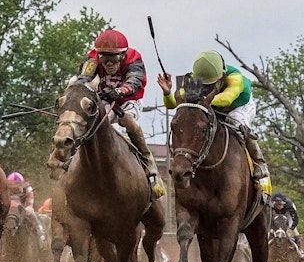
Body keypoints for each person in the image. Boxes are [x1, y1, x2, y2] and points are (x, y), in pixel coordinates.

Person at [158, 50, 270, 194]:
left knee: (236, 121)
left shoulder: (235, 78)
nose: (206, 87)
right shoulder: (193, 80)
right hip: (210, 105)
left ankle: (259, 162)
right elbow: (173, 104)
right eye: (204, 84)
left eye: (210, 84)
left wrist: (202, 103)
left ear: (222, 75)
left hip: (238, 106)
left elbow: (227, 99)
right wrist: (167, 93)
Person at [75, 29, 164, 199]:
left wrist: (119, 91)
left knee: (127, 121)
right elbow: (82, 80)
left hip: (129, 101)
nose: (109, 64)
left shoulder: (134, 59)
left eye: (114, 59)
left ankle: (147, 159)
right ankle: (68, 159)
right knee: (91, 122)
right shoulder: (92, 59)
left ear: (123, 56)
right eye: (104, 58)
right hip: (104, 100)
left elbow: (135, 81)